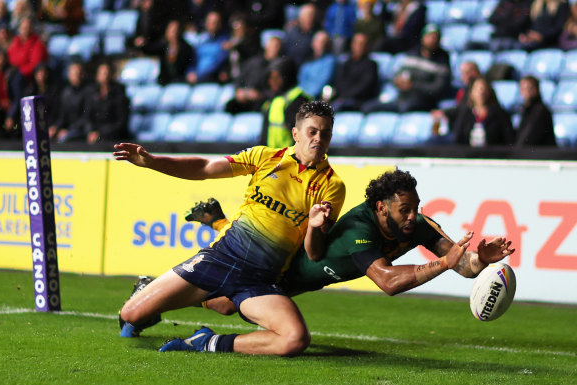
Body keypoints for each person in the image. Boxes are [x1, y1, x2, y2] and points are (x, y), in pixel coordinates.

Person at [114, 101, 346, 356]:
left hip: (259, 280)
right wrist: (153, 162)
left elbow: (314, 253)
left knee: (295, 339)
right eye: (312, 131)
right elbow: (204, 168)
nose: (318, 138)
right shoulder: (266, 158)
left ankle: (205, 342)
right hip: (221, 258)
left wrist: (314, 227)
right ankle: (148, 287)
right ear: (296, 133)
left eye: (325, 133)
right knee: (130, 314)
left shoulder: (332, 185)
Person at [180, 169, 515, 317]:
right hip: (282, 267)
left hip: (306, 280)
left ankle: (215, 220)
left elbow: (466, 268)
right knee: (224, 304)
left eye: (415, 207)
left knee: (232, 305)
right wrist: (442, 263)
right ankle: (163, 284)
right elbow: (388, 282)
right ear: (382, 208)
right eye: (405, 210)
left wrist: (481, 260)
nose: (413, 216)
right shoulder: (359, 226)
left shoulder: (420, 226)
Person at [362, 24, 450, 114]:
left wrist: (413, 85)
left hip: (423, 102)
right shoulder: (412, 54)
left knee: (405, 108)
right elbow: (399, 74)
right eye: (429, 36)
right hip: (401, 99)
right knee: (369, 107)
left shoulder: (442, 60)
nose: (432, 40)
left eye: (435, 37)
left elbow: (437, 88)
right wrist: (398, 80)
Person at [260, 57, 311, 148]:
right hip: (273, 157)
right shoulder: (272, 100)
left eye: (277, 77)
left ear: (287, 77)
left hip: (291, 157)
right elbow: (264, 134)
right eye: (270, 78)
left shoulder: (298, 101)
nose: (273, 82)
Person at [224, 35, 283, 114]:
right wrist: (241, 91)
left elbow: (277, 88)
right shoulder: (252, 62)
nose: (274, 49)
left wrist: (260, 95)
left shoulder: (280, 66)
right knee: (231, 105)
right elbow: (239, 80)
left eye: (276, 46)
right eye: (271, 46)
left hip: (263, 100)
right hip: (246, 97)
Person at [452, 76, 515, 147]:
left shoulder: (500, 114)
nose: (481, 92)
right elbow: (458, 138)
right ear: (471, 93)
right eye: (477, 89)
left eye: (483, 89)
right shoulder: (465, 114)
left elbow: (509, 140)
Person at [429, 61, 481, 143]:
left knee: (432, 143)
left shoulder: (477, 90)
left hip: (466, 134)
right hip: (458, 130)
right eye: (462, 73)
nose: (463, 76)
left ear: (474, 73)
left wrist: (445, 112)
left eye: (466, 73)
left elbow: (465, 109)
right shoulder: (464, 90)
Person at [81, 61, 129, 144]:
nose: (105, 76)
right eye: (102, 73)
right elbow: (87, 117)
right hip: (94, 134)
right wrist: (90, 131)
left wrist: (100, 133)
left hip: (112, 136)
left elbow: (120, 122)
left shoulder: (119, 94)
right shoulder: (91, 93)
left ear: (112, 74)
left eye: (107, 73)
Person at [330, 32, 379, 112]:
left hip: (360, 101)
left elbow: (365, 86)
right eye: (357, 43)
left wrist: (346, 96)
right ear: (352, 45)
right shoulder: (345, 64)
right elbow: (338, 82)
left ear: (367, 47)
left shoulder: (371, 65)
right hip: (342, 99)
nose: (359, 47)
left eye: (362, 44)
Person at [139, 19, 194, 85]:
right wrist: (142, 45)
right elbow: (149, 50)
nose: (173, 33)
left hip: (180, 82)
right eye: (171, 30)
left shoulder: (186, 48)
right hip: (164, 82)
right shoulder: (164, 45)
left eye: (175, 30)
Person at [48, 61, 89, 142]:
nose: (77, 76)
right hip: (68, 129)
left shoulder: (89, 92)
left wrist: (68, 130)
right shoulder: (65, 93)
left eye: (79, 73)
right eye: (74, 73)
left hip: (82, 130)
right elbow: (62, 116)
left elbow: (86, 118)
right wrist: (56, 127)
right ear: (69, 75)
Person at [186, 10, 229, 84]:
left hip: (211, 80)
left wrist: (199, 76)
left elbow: (219, 63)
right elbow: (193, 61)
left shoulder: (225, 42)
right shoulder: (201, 41)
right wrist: (190, 72)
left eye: (216, 22)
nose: (213, 25)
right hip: (196, 80)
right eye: (211, 22)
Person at [514, 75, 557, 147]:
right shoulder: (525, 110)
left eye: (529, 88)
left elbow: (528, 139)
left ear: (536, 89)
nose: (526, 92)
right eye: (523, 88)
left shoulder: (541, 111)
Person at [297, 30, 336, 99]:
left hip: (317, 98)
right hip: (302, 96)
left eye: (324, 42)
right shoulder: (306, 62)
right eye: (318, 42)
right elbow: (301, 81)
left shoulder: (330, 61)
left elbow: (323, 81)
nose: (321, 45)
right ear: (313, 44)